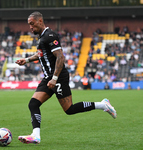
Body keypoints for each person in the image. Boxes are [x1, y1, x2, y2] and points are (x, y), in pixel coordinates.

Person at [15, 11, 117, 144]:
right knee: (33, 104)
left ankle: (103, 105)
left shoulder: (50, 35)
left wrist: (55, 78)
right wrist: (27, 60)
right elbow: (41, 54)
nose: (30, 27)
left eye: (32, 24)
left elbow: (60, 57)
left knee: (69, 109)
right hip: (48, 78)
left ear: (40, 21)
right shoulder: (42, 38)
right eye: (29, 25)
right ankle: (35, 135)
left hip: (58, 77)